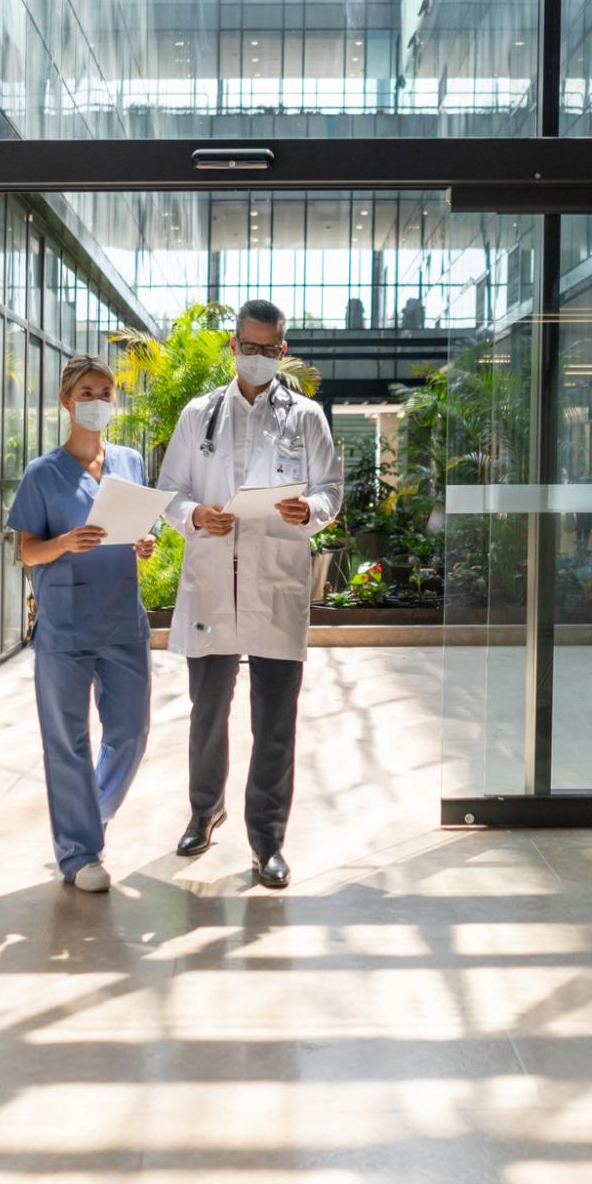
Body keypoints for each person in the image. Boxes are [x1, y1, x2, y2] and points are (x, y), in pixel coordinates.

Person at [155, 299, 343, 889]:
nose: (258, 357)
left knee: (274, 721)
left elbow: (331, 490)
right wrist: (195, 516)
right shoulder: (198, 413)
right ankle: (205, 809)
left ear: (282, 351)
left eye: (270, 349)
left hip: (275, 581)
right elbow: (170, 491)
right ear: (233, 346)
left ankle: (267, 840)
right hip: (214, 581)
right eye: (249, 346)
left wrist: (307, 507)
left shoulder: (307, 416)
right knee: (208, 712)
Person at [9, 354, 158, 893]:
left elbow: (138, 527)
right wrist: (66, 543)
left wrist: (144, 543)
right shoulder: (42, 474)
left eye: (106, 392)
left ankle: (89, 813)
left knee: (131, 732)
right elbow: (26, 553)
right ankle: (80, 853)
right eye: (87, 393)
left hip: (122, 617)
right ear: (67, 402)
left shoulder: (131, 462)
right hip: (65, 626)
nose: (98, 401)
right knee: (67, 740)